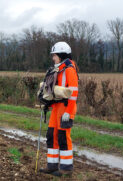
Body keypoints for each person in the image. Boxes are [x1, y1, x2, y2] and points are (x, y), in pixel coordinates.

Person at [40, 42, 79, 176]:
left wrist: (68, 112)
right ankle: (52, 166)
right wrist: (48, 104)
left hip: (66, 108)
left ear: (61, 55)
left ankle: (66, 169)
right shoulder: (58, 69)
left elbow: (73, 92)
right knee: (51, 135)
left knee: (63, 137)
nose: (53, 58)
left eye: (54, 55)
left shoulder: (69, 69)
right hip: (57, 107)